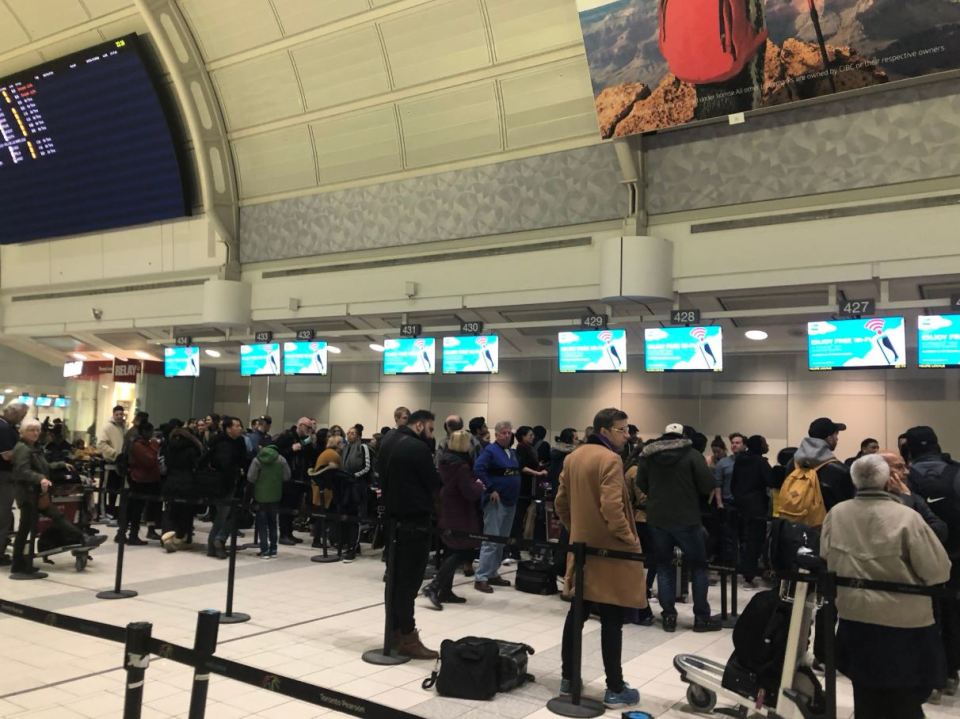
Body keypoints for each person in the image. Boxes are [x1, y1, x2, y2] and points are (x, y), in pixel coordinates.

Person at [821, 454, 952, 719]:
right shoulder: (907, 517)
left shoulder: (836, 514)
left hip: (853, 617)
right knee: (904, 701)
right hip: (904, 625)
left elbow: (826, 557)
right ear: (886, 479)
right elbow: (938, 571)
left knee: (866, 694)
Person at [556, 408, 644, 708]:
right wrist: (628, 539)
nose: (627, 435)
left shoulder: (573, 457)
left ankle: (568, 678)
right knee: (611, 621)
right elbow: (613, 508)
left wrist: (576, 529)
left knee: (576, 615)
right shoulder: (610, 459)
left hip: (582, 549)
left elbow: (561, 503)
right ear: (605, 430)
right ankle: (615, 687)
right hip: (610, 552)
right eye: (622, 429)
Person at [636, 422, 719, 632]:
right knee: (699, 567)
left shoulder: (649, 456)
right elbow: (707, 485)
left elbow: (641, 482)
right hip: (687, 518)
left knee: (664, 567)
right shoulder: (692, 455)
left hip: (657, 518)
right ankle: (701, 618)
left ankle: (668, 617)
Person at [377, 409, 442, 660]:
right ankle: (407, 635)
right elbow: (433, 484)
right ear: (419, 425)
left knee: (394, 581)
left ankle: (392, 632)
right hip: (415, 521)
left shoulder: (388, 441)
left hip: (393, 520)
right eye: (431, 428)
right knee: (409, 582)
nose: (431, 434)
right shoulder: (418, 449)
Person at [902, 425, 960, 696]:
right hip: (955, 555)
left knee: (923, 615)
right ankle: (950, 673)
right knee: (953, 613)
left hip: (917, 558)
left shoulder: (904, 478)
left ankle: (928, 675)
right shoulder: (956, 471)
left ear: (909, 449)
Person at [11, 419, 100, 575]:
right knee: (27, 527)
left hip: (37, 494)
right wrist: (40, 478)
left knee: (53, 516)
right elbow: (21, 471)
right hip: (28, 494)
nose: (35, 433)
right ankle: (19, 565)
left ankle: (82, 537)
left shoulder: (34, 448)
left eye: (37, 430)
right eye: (31, 430)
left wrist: (60, 464)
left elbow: (43, 467)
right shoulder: (23, 449)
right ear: (22, 432)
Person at [422, 430, 484, 609]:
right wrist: (479, 487)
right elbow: (469, 492)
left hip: (448, 509)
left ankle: (446, 591)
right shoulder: (462, 466)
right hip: (461, 513)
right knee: (463, 551)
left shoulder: (445, 462)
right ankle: (434, 586)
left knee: (452, 549)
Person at [473, 420, 521, 593]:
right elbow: (478, 469)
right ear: (497, 434)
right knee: (491, 540)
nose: (507, 435)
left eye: (509, 433)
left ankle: (493, 573)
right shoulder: (490, 451)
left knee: (501, 540)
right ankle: (481, 577)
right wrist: (491, 488)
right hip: (496, 501)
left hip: (511, 500)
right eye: (504, 433)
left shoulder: (511, 452)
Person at [730, 435, 772, 589]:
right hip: (757, 507)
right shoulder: (761, 462)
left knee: (742, 540)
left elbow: (733, 483)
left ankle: (741, 571)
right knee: (755, 541)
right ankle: (750, 575)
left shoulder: (739, 461)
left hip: (740, 506)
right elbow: (771, 480)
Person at [880, 451, 948, 543]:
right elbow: (898, 535)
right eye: (899, 467)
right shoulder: (870, 501)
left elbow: (940, 530)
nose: (907, 472)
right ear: (879, 471)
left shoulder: (913, 497)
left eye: (906, 467)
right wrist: (906, 498)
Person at [788, 417, 855, 510]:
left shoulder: (792, 463)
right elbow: (846, 506)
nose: (837, 439)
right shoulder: (840, 470)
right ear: (829, 438)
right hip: (825, 522)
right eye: (836, 435)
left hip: (794, 520)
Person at [205, 417, 247, 559]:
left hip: (234, 483)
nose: (240, 428)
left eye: (240, 425)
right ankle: (219, 540)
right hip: (221, 483)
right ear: (228, 428)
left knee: (226, 515)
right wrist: (236, 469)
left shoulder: (240, 442)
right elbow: (222, 463)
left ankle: (214, 545)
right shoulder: (221, 442)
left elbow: (243, 459)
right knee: (224, 515)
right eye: (236, 426)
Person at [160, 425, 204, 552]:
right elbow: (196, 465)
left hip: (171, 482)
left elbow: (166, 465)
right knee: (186, 512)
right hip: (187, 482)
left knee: (170, 511)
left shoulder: (168, 448)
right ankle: (181, 537)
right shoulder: (192, 448)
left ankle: (167, 537)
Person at [274, 417, 317, 545]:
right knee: (286, 506)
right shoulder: (287, 436)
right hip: (288, 477)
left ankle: (289, 532)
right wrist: (291, 450)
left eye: (311, 428)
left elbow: (309, 456)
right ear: (300, 425)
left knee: (294, 507)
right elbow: (276, 452)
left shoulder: (304, 440)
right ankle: (283, 534)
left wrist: (309, 443)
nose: (309, 430)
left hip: (300, 477)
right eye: (308, 427)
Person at [247, 445, 290, 558]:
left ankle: (264, 550)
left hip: (260, 496)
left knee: (262, 524)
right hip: (275, 495)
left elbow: (251, 477)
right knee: (273, 523)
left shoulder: (257, 460)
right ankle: (273, 549)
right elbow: (287, 476)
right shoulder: (281, 459)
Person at [122, 422, 161, 546]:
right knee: (135, 510)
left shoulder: (144, 443)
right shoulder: (138, 445)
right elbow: (149, 460)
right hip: (139, 480)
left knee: (134, 509)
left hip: (145, 479)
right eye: (150, 431)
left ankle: (124, 534)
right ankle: (130, 535)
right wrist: (155, 447)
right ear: (144, 432)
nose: (152, 434)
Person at [0, 402, 28, 565]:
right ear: (12, 413)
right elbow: (6, 455)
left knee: (6, 515)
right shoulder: (4, 429)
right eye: (22, 415)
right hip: (4, 476)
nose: (22, 419)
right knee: (3, 515)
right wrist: (25, 454)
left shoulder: (6, 427)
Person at [339, 424, 373, 561]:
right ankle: (349, 544)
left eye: (352, 433)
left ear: (358, 435)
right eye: (348, 432)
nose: (349, 434)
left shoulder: (363, 447)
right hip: (347, 485)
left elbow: (367, 466)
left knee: (356, 517)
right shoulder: (345, 447)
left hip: (358, 485)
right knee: (347, 516)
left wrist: (355, 476)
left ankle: (353, 547)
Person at [513, 426, 548, 552]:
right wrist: (537, 473)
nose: (533, 437)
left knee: (523, 516)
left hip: (529, 487)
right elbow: (522, 467)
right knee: (519, 516)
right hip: (523, 487)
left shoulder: (529, 448)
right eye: (530, 435)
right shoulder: (522, 448)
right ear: (522, 437)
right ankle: (516, 546)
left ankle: (520, 544)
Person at [96, 405, 127, 521]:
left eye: (121, 414)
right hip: (110, 463)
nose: (119, 416)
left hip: (121, 464)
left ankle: (113, 510)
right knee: (108, 488)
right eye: (117, 414)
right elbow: (101, 444)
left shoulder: (124, 427)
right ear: (113, 414)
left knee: (117, 489)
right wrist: (114, 453)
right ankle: (106, 511)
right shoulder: (108, 427)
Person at [548, 428, 578, 493]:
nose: (577, 441)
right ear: (568, 440)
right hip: (566, 486)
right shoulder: (570, 453)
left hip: (556, 485)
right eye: (576, 439)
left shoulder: (556, 451)